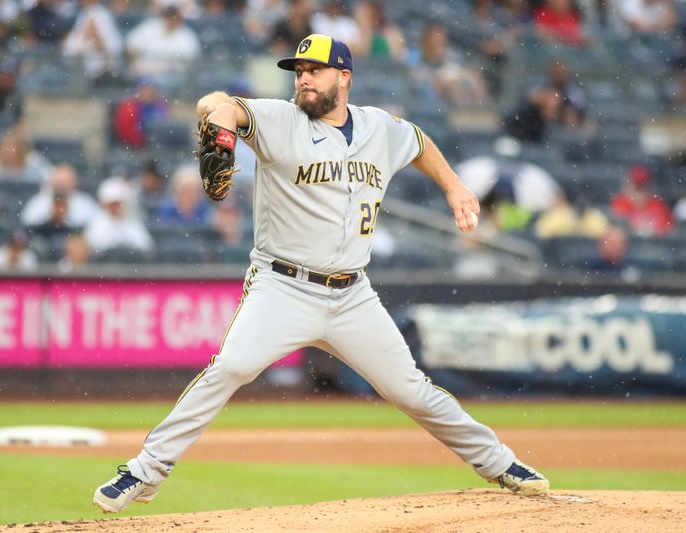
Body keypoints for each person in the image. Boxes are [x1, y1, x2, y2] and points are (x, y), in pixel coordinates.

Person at [93, 33, 549, 513]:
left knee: (410, 389)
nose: (304, 77)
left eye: (315, 69)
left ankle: (500, 464)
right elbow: (218, 103)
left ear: (344, 78)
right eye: (299, 71)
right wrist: (221, 129)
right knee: (230, 367)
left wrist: (455, 187)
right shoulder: (280, 121)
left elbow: (417, 141)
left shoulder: (378, 128)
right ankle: (145, 472)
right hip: (282, 286)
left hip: (353, 294)